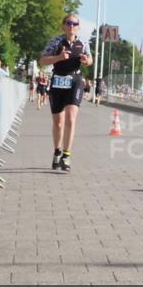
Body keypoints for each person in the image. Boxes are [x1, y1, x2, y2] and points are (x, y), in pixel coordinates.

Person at [40, 14, 92, 171]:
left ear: (78, 27)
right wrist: (59, 57)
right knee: (58, 122)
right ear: (63, 26)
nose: (71, 26)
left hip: (75, 80)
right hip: (58, 80)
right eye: (68, 23)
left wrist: (86, 61)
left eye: (74, 24)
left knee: (71, 118)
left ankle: (66, 155)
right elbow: (42, 60)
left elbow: (90, 60)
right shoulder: (55, 41)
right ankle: (57, 151)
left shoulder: (83, 42)